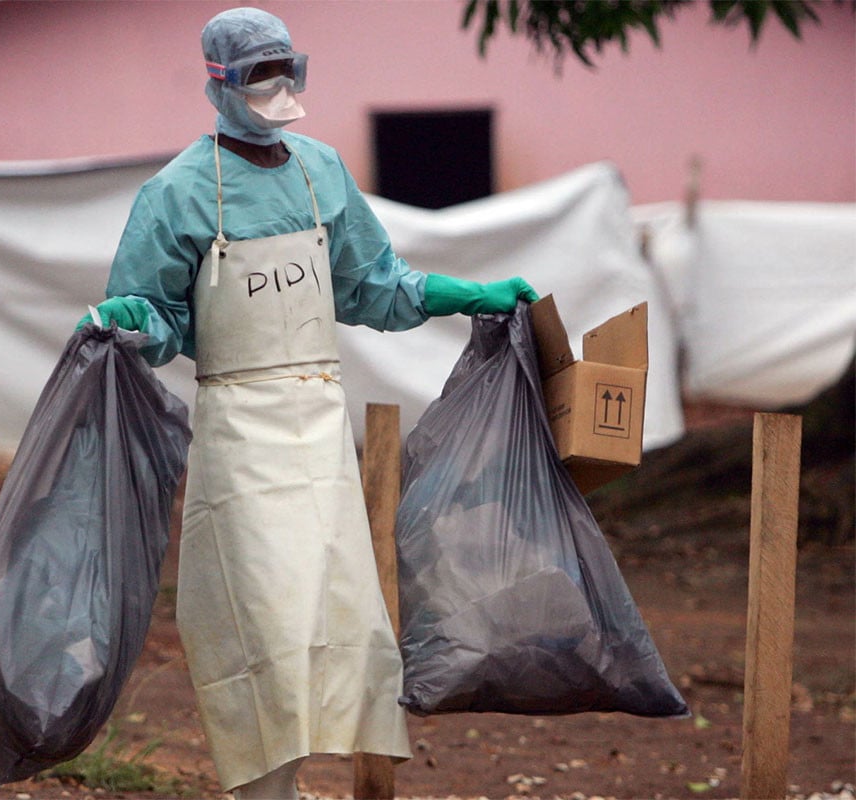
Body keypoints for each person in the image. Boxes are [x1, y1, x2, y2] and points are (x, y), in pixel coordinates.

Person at [80, 8, 538, 798]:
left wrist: (464, 293)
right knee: (263, 615)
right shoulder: (177, 192)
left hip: (318, 425)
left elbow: (372, 286)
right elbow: (159, 318)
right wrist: (134, 320)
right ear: (217, 85)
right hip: (238, 430)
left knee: (337, 613)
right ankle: (266, 789)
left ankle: (308, 777)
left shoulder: (321, 170)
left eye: (282, 68)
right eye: (255, 74)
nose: (274, 87)